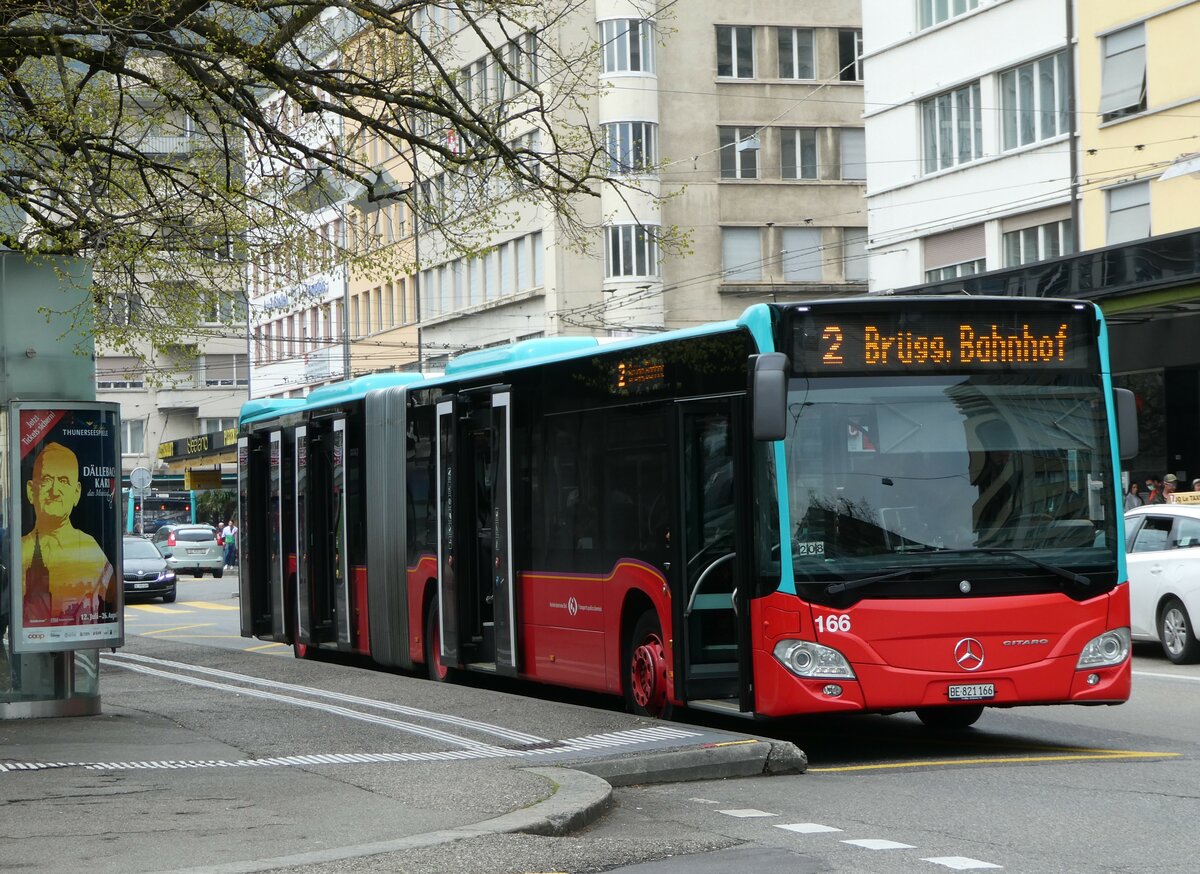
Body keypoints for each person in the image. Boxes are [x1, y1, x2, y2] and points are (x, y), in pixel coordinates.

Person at [21, 442, 116, 625]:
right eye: (46, 480)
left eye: (63, 481)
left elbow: (111, 599)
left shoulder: (92, 551)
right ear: (31, 491)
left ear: (77, 493)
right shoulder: (17, 550)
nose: (54, 491)